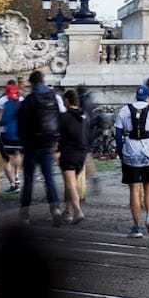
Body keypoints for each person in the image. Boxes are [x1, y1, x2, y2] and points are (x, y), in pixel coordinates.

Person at [114, 83, 149, 236]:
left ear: (136, 96)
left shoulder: (124, 110)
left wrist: (121, 152)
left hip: (131, 153)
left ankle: (136, 227)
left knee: (134, 190)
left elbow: (117, 134)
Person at [16, 70, 63, 225]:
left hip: (31, 145)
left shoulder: (29, 100)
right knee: (49, 178)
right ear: (43, 81)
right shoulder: (53, 97)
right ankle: (55, 208)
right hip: (48, 144)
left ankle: (25, 214)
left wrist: (23, 142)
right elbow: (58, 121)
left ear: (32, 83)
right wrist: (56, 142)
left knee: (28, 179)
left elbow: (21, 123)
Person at [58, 88, 89, 223]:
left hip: (68, 152)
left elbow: (56, 134)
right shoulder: (84, 116)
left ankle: (77, 211)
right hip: (81, 153)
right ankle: (67, 210)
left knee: (70, 184)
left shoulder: (64, 117)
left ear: (66, 100)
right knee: (71, 183)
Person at [0, 80, 22, 191]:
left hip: (7, 134)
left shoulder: (4, 101)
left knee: (4, 158)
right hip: (19, 133)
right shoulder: (22, 101)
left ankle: (12, 184)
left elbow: (1, 119)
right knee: (17, 153)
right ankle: (17, 175)